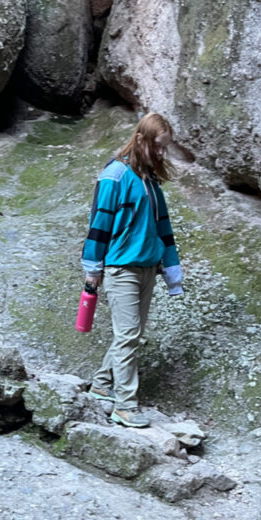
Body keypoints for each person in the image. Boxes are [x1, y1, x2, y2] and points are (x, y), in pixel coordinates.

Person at [81, 112, 183, 429]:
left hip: (147, 268)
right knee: (127, 336)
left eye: (165, 148)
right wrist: (93, 268)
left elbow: (164, 229)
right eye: (159, 147)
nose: (162, 154)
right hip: (121, 268)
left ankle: (101, 384)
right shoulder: (114, 176)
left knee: (131, 335)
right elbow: (99, 225)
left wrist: (171, 272)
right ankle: (124, 406)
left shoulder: (151, 183)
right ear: (141, 140)